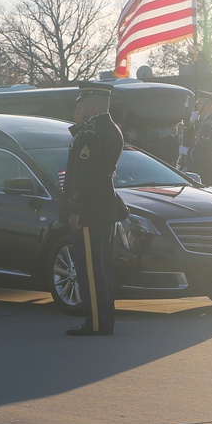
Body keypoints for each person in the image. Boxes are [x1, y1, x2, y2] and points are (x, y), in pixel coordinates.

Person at [61, 83, 126, 336]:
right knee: (102, 268)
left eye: (82, 104)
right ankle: (103, 319)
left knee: (90, 270)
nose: (78, 109)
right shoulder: (112, 129)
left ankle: (97, 323)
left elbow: (84, 176)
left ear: (94, 106)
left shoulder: (90, 134)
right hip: (104, 208)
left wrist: (75, 209)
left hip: (90, 211)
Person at [189, 92, 212, 188]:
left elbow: (203, 151)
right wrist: (191, 125)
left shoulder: (209, 124)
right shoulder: (207, 122)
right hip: (207, 167)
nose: (198, 105)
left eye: (200, 103)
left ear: (209, 105)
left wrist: (187, 151)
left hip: (206, 169)